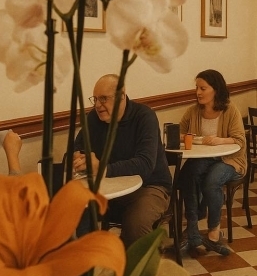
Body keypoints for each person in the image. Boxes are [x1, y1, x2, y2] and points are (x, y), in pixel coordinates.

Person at [73, 74, 172, 248]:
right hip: (110, 189)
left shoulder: (144, 117)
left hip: (149, 187)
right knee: (77, 210)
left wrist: (102, 169)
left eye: (103, 99)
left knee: (136, 224)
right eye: (95, 99)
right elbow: (76, 148)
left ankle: (140, 265)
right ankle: (91, 260)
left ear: (121, 96)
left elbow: (145, 164)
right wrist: (77, 158)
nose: (97, 105)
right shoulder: (94, 118)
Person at [177, 70, 246, 256]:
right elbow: (178, 134)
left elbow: (240, 140)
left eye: (203, 88)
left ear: (216, 89)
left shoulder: (230, 110)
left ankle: (214, 232)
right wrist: (188, 137)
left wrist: (220, 140)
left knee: (212, 181)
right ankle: (192, 228)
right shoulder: (193, 111)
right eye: (197, 88)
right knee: (188, 174)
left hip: (230, 159)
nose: (198, 92)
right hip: (203, 158)